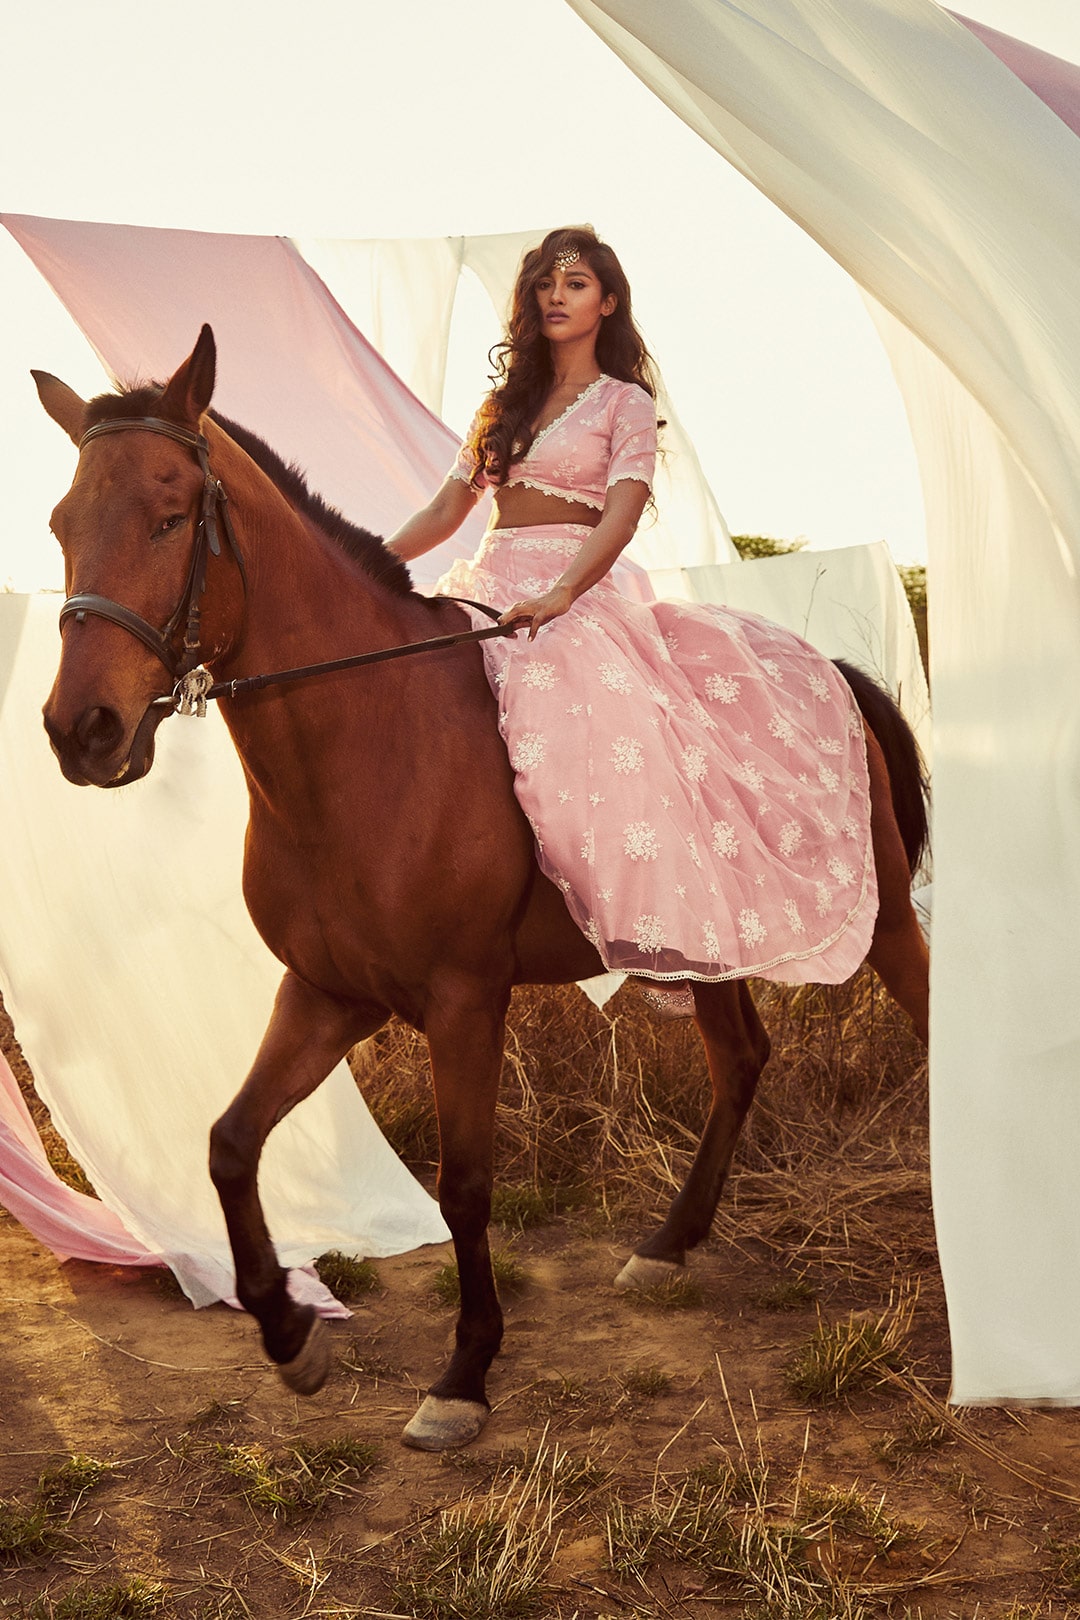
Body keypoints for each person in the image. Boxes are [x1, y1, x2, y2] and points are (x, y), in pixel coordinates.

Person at [387, 226, 877, 1013]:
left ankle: (637, 913)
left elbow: (619, 516)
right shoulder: (501, 405)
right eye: (545, 282)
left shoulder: (625, 403)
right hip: (488, 578)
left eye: (575, 284)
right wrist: (370, 561)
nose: (556, 294)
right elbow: (450, 506)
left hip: (577, 588)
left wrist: (563, 595)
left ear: (606, 303)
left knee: (576, 707)